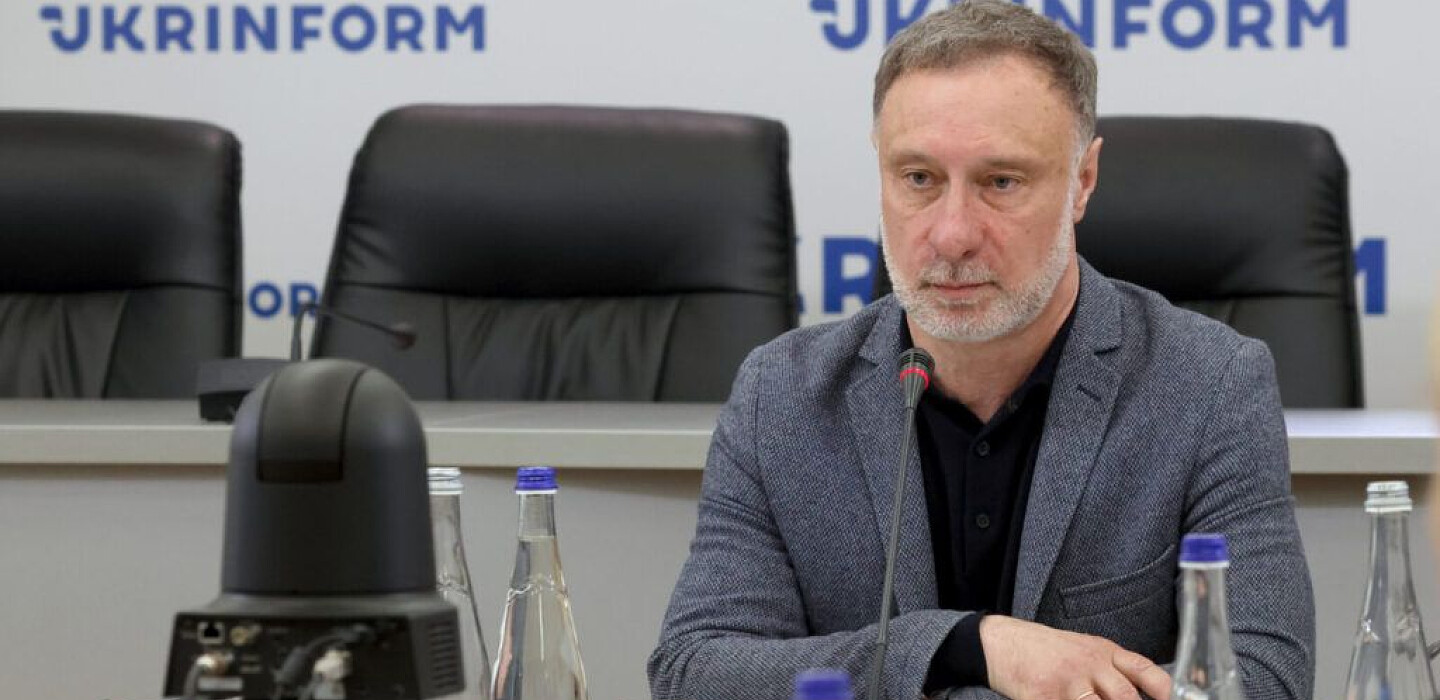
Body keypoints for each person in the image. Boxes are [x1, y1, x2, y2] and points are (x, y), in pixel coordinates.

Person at [647, 2, 1314, 700]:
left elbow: (1265, 683)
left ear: (1083, 181)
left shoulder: (1209, 384)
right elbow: (696, 672)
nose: (953, 234)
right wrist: (966, 647)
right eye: (918, 178)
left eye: (1001, 182)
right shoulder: (781, 394)